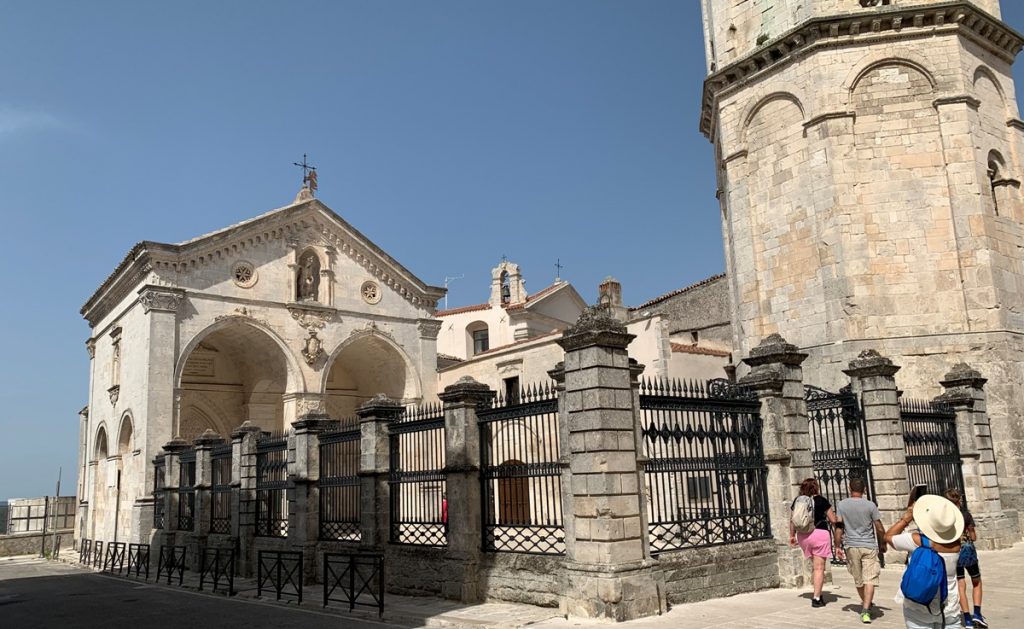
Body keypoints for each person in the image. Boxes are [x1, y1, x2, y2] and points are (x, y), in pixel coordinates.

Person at [884, 494, 964, 629]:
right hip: (949, 607)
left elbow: (889, 536)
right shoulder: (956, 545)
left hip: (919, 607)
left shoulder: (916, 541)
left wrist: (908, 517)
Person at [835, 478, 886, 624]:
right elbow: (879, 527)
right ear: (864, 489)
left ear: (849, 488)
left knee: (858, 579)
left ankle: (866, 605)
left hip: (851, 545)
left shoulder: (842, 505)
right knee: (870, 578)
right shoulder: (870, 505)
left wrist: (837, 546)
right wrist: (883, 543)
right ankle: (865, 609)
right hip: (868, 545)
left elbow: (839, 526)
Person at [790, 478, 838, 608]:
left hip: (803, 536)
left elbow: (792, 520)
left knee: (814, 566)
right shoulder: (821, 500)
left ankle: (818, 592)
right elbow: (833, 519)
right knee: (819, 568)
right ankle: (816, 598)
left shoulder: (798, 501)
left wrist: (791, 536)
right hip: (819, 534)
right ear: (816, 487)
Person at [945, 489, 986, 628]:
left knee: (960, 584)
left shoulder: (945, 517)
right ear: (959, 501)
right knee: (976, 581)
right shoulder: (966, 515)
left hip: (953, 551)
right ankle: (978, 614)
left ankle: (967, 618)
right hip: (967, 551)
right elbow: (973, 536)